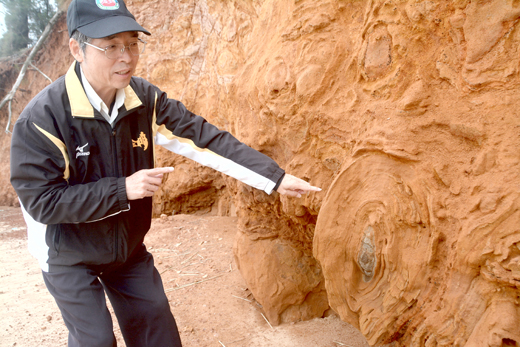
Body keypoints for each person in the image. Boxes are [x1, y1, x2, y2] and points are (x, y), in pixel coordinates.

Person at [9, 0, 321, 346]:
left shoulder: (143, 99)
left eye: (131, 43)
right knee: (95, 339)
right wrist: (121, 190)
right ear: (76, 49)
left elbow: (204, 138)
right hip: (66, 252)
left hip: (126, 248)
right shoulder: (43, 118)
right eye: (110, 46)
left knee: (159, 334)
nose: (125, 57)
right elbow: (43, 202)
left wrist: (274, 178)